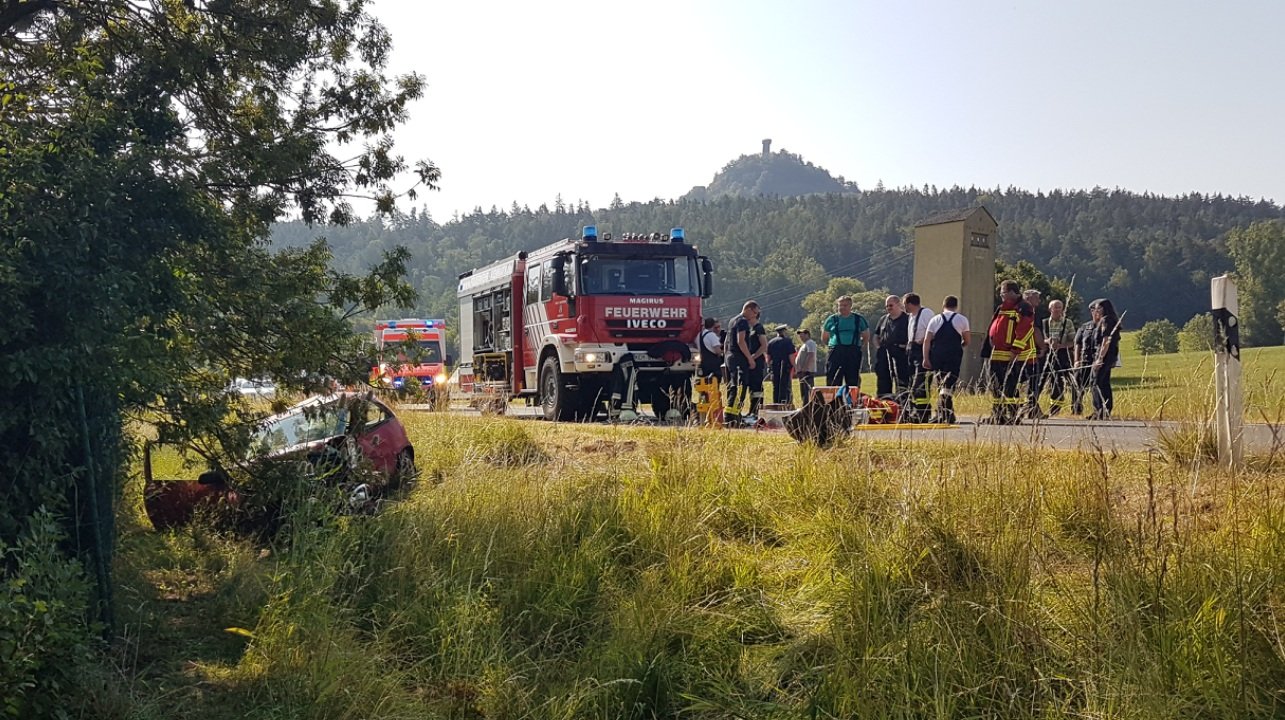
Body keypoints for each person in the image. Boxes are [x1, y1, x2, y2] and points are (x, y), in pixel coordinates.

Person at [984, 280, 1035, 424]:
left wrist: (1015, 350)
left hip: (1011, 355)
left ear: (1013, 292)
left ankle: (1013, 416)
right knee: (996, 386)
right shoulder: (1002, 308)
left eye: (1003, 292)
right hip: (996, 353)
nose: (1001, 295)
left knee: (1010, 386)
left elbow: (1025, 330)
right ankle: (998, 415)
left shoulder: (1023, 307)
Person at [922, 295, 969, 423]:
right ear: (956, 306)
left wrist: (925, 358)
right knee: (948, 384)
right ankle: (946, 414)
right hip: (953, 355)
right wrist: (961, 345)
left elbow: (927, 340)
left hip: (937, 355)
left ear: (943, 305)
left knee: (941, 383)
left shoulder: (935, 319)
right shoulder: (962, 319)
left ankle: (945, 413)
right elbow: (967, 339)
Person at [726, 301, 768, 417]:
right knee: (740, 387)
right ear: (748, 309)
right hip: (739, 359)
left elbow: (727, 342)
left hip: (732, 358)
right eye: (754, 313)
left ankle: (734, 414)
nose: (755, 316)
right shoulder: (743, 321)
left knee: (736, 386)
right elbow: (741, 341)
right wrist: (750, 358)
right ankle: (732, 415)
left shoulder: (733, 320)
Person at [821, 295, 870, 389]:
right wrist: (833, 346)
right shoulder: (831, 319)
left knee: (852, 379)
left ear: (850, 306)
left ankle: (851, 402)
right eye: (840, 305)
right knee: (833, 378)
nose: (842, 308)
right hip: (836, 351)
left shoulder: (859, 319)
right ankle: (834, 402)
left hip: (853, 351)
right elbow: (824, 338)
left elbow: (866, 336)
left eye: (845, 305)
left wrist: (859, 346)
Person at [902, 293, 935, 422]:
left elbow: (932, 331)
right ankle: (915, 412)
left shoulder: (926, 313)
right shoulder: (911, 316)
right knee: (911, 383)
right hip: (911, 350)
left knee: (920, 383)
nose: (904, 307)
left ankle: (924, 413)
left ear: (910, 304)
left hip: (921, 350)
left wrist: (924, 340)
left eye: (905, 304)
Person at [1088, 298, 1122, 420]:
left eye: (1098, 308)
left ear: (1104, 308)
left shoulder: (1106, 320)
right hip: (1109, 355)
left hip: (1104, 355)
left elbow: (1106, 340)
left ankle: (1100, 410)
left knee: (1096, 382)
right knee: (1104, 382)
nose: (1096, 310)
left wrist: (1100, 358)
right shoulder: (1110, 320)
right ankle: (1104, 410)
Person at [1041, 299, 1076, 416]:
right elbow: (1038, 340)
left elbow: (1073, 341)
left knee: (1063, 383)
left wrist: (1061, 345)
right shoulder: (1044, 323)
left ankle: (1059, 410)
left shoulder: (1068, 323)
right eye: (1054, 307)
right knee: (1040, 381)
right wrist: (1047, 342)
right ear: (1049, 309)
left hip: (1063, 355)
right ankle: (1032, 406)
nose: (1056, 310)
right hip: (1046, 355)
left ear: (1062, 309)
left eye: (1059, 307)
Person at [872, 295, 910, 396]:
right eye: (886, 306)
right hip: (884, 354)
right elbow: (876, 336)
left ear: (898, 304)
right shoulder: (883, 319)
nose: (888, 308)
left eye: (891, 305)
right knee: (883, 381)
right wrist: (878, 347)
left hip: (901, 355)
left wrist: (906, 346)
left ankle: (902, 404)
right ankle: (884, 402)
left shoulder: (908, 319)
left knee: (902, 382)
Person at [1019, 289, 1048, 420]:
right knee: (1033, 380)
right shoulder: (1030, 311)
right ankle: (1032, 409)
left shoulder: (1017, 310)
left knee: (1026, 381)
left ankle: (1031, 408)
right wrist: (1042, 346)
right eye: (1037, 298)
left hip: (1019, 349)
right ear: (1029, 298)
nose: (1039, 301)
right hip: (1031, 351)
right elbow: (1035, 330)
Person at [1070, 305, 1098, 416]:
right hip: (1084, 361)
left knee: (1095, 386)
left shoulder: (1105, 326)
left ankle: (1098, 410)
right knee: (1077, 385)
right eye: (1092, 310)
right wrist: (1076, 360)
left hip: (1097, 362)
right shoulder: (1085, 327)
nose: (1095, 312)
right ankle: (1076, 409)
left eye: (1097, 310)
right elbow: (1077, 344)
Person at [766, 324, 796, 405]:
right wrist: (795, 366)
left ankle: (776, 404)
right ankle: (786, 404)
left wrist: (769, 367)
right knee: (786, 387)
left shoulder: (771, 342)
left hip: (774, 368)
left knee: (775, 387)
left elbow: (768, 358)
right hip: (785, 368)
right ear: (784, 331)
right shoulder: (788, 342)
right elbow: (791, 356)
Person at [794, 328, 818, 403]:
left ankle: (808, 406)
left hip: (807, 371)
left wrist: (805, 367)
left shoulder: (810, 343)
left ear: (807, 335)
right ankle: (805, 405)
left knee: (807, 390)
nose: (800, 337)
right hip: (802, 371)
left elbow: (811, 355)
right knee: (803, 391)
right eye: (800, 336)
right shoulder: (805, 344)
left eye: (802, 335)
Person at [697, 316, 724, 381]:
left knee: (704, 382)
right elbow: (717, 350)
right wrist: (722, 352)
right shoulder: (711, 335)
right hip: (713, 365)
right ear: (713, 325)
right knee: (714, 382)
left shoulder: (699, 335)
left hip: (703, 363)